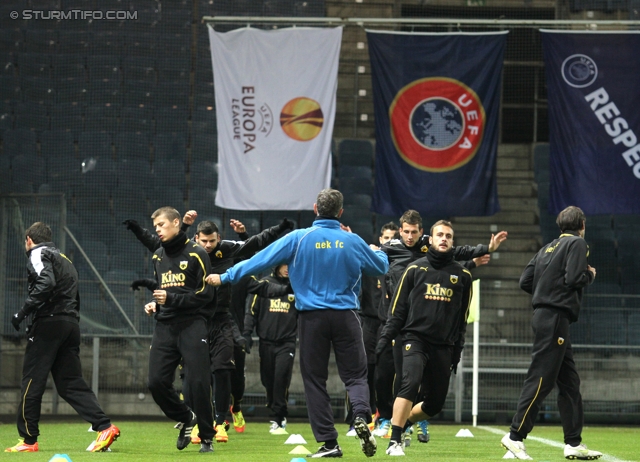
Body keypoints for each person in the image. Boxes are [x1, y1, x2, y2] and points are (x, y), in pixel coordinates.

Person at [208, 188, 389, 458]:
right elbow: (381, 267)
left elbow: (260, 260)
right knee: (355, 375)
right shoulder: (352, 241)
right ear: (340, 212)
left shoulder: (298, 238)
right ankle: (362, 416)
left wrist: (226, 276)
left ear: (315, 209)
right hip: (347, 317)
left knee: (315, 380)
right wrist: (381, 252)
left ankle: (329, 443)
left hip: (312, 318)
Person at [374, 210, 506, 441]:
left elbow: (457, 258)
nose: (410, 235)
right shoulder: (396, 254)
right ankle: (392, 431)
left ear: (423, 234)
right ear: (401, 230)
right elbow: (372, 264)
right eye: (406, 231)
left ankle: (410, 421)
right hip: (406, 328)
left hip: (440, 339)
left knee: (432, 397)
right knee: (407, 381)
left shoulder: (455, 270)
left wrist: (486, 249)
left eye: (414, 231)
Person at [5, 222, 120, 453]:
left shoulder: (38, 253)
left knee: (31, 381)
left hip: (49, 324)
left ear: (28, 239)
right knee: (70, 383)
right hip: (70, 325)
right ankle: (104, 426)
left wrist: (23, 312)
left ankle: (28, 441)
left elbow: (46, 282)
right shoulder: (64, 258)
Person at [500, 206, 602, 461]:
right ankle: (514, 436)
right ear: (581, 225)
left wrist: (544, 292)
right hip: (556, 317)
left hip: (546, 317)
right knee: (541, 378)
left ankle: (573, 443)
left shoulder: (547, 248)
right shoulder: (577, 244)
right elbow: (574, 277)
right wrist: (589, 274)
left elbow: (525, 281)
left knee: (569, 383)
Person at [376, 220, 473, 456]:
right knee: (409, 384)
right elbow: (397, 311)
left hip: (443, 346)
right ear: (430, 239)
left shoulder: (463, 275)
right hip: (414, 339)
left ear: (452, 242)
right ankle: (395, 440)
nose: (444, 239)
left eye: (448, 236)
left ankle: (404, 423)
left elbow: (462, 321)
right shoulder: (414, 269)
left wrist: (457, 353)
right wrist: (384, 338)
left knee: (435, 404)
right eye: (439, 235)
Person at [144, 207, 216, 453]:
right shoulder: (157, 256)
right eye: (155, 227)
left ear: (176, 223)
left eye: (161, 225)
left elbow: (206, 295)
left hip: (193, 324)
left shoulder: (197, 253)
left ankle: (206, 437)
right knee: (155, 382)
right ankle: (186, 417)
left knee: (198, 382)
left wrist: (172, 299)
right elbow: (164, 291)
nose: (158, 230)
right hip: (165, 325)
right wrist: (156, 304)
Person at [243, 264, 297, 435]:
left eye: (291, 265)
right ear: (277, 265)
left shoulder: (297, 286)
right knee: (268, 380)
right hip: (266, 342)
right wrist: (246, 334)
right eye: (285, 265)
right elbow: (251, 311)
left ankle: (279, 417)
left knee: (281, 378)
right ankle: (273, 408)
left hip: (287, 342)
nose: (288, 269)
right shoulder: (263, 284)